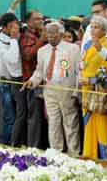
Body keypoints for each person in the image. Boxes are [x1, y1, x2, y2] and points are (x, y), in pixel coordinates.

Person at [24, 21, 82, 154]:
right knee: (53, 123)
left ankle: (73, 153)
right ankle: (56, 152)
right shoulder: (42, 51)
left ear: (61, 34)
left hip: (67, 89)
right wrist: (32, 81)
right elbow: (39, 71)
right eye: (48, 33)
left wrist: (76, 91)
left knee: (70, 123)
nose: (50, 36)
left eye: (54, 33)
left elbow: (79, 72)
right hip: (49, 90)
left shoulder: (72, 49)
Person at [80, 16, 107, 159]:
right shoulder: (87, 44)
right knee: (88, 127)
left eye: (96, 26)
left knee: (103, 130)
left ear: (104, 30)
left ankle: (105, 160)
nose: (92, 29)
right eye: (91, 26)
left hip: (102, 94)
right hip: (86, 93)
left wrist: (90, 80)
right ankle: (89, 157)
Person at [0, 13, 24, 145]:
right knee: (9, 116)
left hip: (16, 81)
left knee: (17, 114)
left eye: (16, 26)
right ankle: (5, 143)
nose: (15, 29)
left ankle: (13, 141)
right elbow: (13, 60)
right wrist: (2, 68)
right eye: (11, 26)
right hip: (6, 82)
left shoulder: (16, 37)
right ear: (4, 27)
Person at [20, 10, 46, 147]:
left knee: (42, 117)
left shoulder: (37, 35)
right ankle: (33, 147)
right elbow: (27, 55)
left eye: (41, 18)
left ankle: (40, 145)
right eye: (37, 19)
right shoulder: (26, 36)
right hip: (31, 82)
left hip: (43, 82)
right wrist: (42, 40)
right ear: (29, 21)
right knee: (34, 117)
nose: (41, 21)